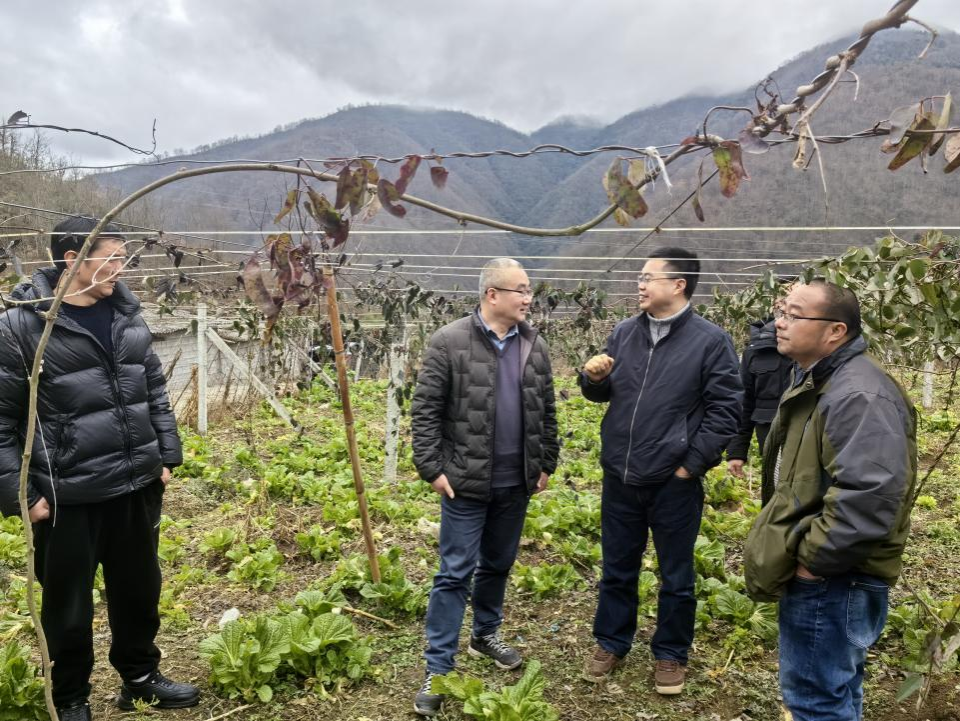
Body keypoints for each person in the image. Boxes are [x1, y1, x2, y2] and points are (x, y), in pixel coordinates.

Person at [0, 216, 199, 721]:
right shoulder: (23, 326)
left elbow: (153, 388)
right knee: (68, 607)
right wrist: (21, 496)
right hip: (68, 494)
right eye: (112, 258)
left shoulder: (127, 315)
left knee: (139, 591)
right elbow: (1, 419)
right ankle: (70, 698)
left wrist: (165, 456)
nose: (121, 268)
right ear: (73, 259)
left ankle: (140, 679)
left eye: (123, 258)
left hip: (135, 484)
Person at [743, 280, 917, 721]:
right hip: (833, 574)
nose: (780, 323)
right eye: (781, 311)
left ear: (835, 331)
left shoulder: (857, 394)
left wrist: (813, 562)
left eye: (794, 315)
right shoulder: (823, 380)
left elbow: (870, 495)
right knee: (833, 690)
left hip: (834, 578)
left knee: (816, 699)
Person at [580, 247, 742, 694]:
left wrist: (691, 466)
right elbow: (604, 394)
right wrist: (594, 379)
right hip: (620, 474)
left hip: (674, 481)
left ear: (678, 284)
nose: (640, 284)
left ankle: (670, 653)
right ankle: (611, 641)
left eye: (648, 277)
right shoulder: (624, 333)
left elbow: (726, 409)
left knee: (676, 574)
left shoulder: (710, 341)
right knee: (617, 567)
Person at [410, 258, 559, 717]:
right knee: (454, 573)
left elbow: (547, 410)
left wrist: (546, 462)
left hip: (516, 482)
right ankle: (438, 667)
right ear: (492, 294)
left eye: (529, 290)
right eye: (520, 290)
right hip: (466, 483)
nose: (528, 298)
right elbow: (425, 411)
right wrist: (433, 469)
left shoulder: (533, 344)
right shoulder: (449, 341)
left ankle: (485, 634)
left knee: (497, 564)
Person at [725, 316, 793, 505]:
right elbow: (745, 402)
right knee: (776, 495)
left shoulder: (817, 345)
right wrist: (737, 451)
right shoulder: (757, 349)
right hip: (771, 439)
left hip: (809, 439)